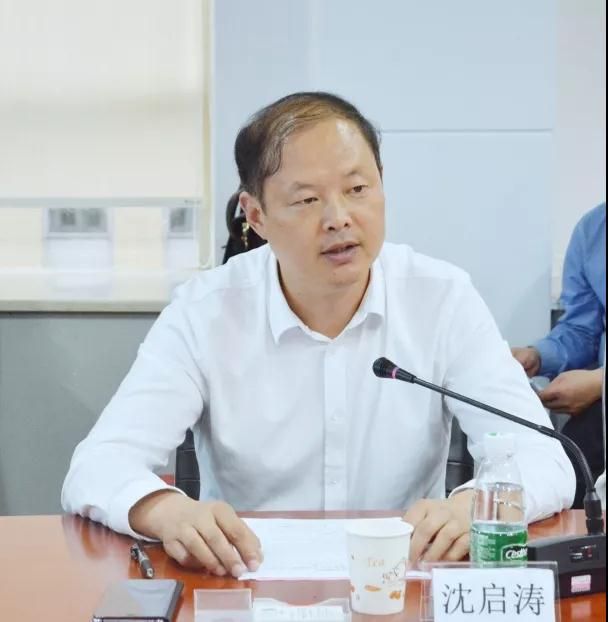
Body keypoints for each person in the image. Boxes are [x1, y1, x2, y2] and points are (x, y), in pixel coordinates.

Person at [62, 92, 574, 578]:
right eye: (307, 199)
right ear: (257, 216)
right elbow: (99, 464)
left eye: (357, 189)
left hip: (400, 584)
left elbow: (544, 458)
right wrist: (165, 510)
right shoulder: (205, 312)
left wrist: (474, 506)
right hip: (242, 583)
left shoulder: (442, 299)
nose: (339, 219)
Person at [512, 203, 605, 508]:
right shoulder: (593, 230)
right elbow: (582, 329)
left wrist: (600, 382)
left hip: (599, 394)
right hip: (599, 413)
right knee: (564, 474)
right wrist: (538, 356)